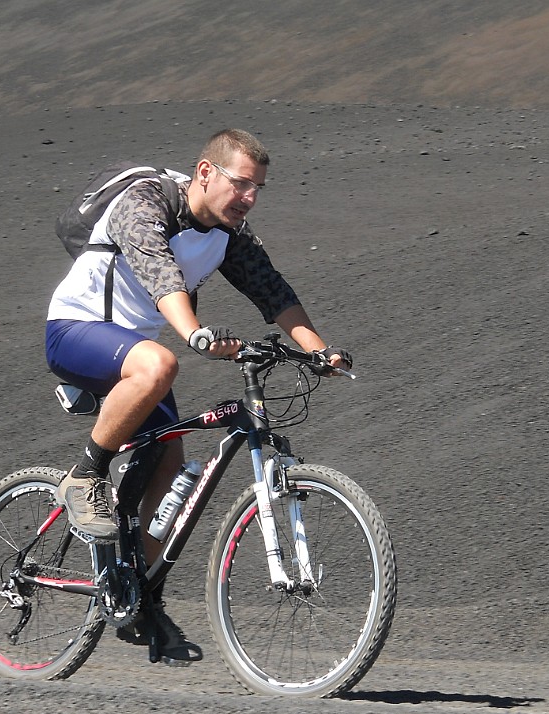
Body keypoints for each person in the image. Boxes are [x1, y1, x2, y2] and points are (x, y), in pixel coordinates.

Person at [45, 128, 351, 659]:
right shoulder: (144, 200)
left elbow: (272, 291)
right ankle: (85, 476)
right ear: (206, 173)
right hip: (75, 331)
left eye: (258, 189)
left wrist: (319, 351)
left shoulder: (231, 233)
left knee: (172, 469)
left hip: (133, 357)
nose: (250, 198)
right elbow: (160, 273)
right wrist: (195, 334)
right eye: (241, 185)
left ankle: (138, 597)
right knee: (162, 363)